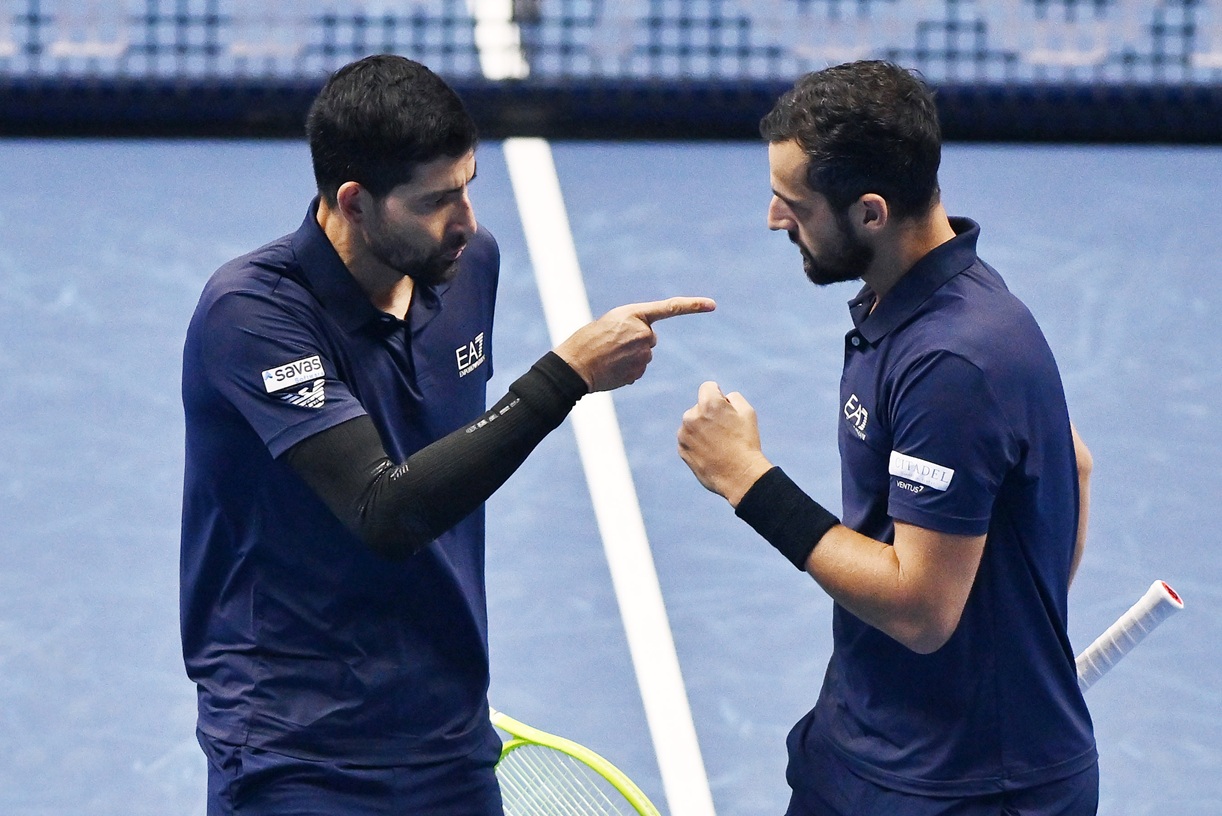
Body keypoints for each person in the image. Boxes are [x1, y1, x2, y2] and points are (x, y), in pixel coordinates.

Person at [179, 54, 713, 815]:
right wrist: (563, 377)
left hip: (447, 736)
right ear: (354, 202)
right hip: (296, 747)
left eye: (468, 186)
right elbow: (384, 511)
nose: (464, 220)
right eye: (436, 200)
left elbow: (445, 458)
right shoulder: (253, 316)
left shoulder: (467, 265)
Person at [677, 60, 1098, 815]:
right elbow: (1075, 465)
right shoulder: (916, 309)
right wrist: (1014, 644)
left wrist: (745, 478)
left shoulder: (953, 362)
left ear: (871, 212)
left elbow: (920, 610)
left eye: (793, 204)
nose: (774, 219)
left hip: (960, 789)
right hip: (871, 741)